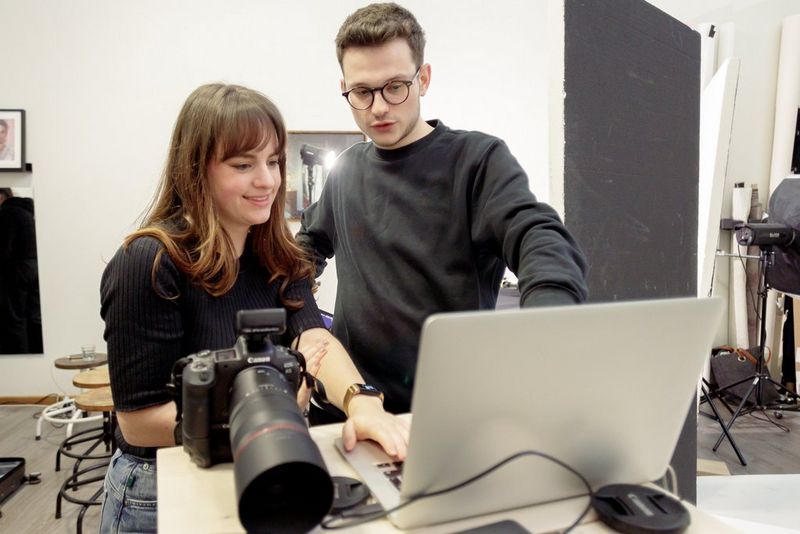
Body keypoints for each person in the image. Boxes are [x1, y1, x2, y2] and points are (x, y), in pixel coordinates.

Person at [99, 83, 408, 534]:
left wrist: (360, 401)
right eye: (243, 165)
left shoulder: (279, 255)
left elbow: (313, 336)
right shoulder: (148, 263)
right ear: (195, 169)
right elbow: (139, 422)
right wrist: (269, 409)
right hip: (160, 484)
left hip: (262, 464)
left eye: (273, 162)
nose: (266, 180)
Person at [297, 3, 589, 419]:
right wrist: (296, 291)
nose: (379, 107)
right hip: (350, 410)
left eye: (395, 86)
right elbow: (309, 243)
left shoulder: (476, 160)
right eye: (362, 92)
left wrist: (548, 319)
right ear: (344, 86)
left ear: (424, 78)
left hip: (444, 417)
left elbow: (535, 233)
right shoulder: (345, 171)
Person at [0, 188, 42, 354]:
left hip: (15, 271)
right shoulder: (27, 211)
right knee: (34, 318)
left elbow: (3, 249)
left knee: (14, 320)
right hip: (34, 267)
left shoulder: (7, 213)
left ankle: (19, 356)